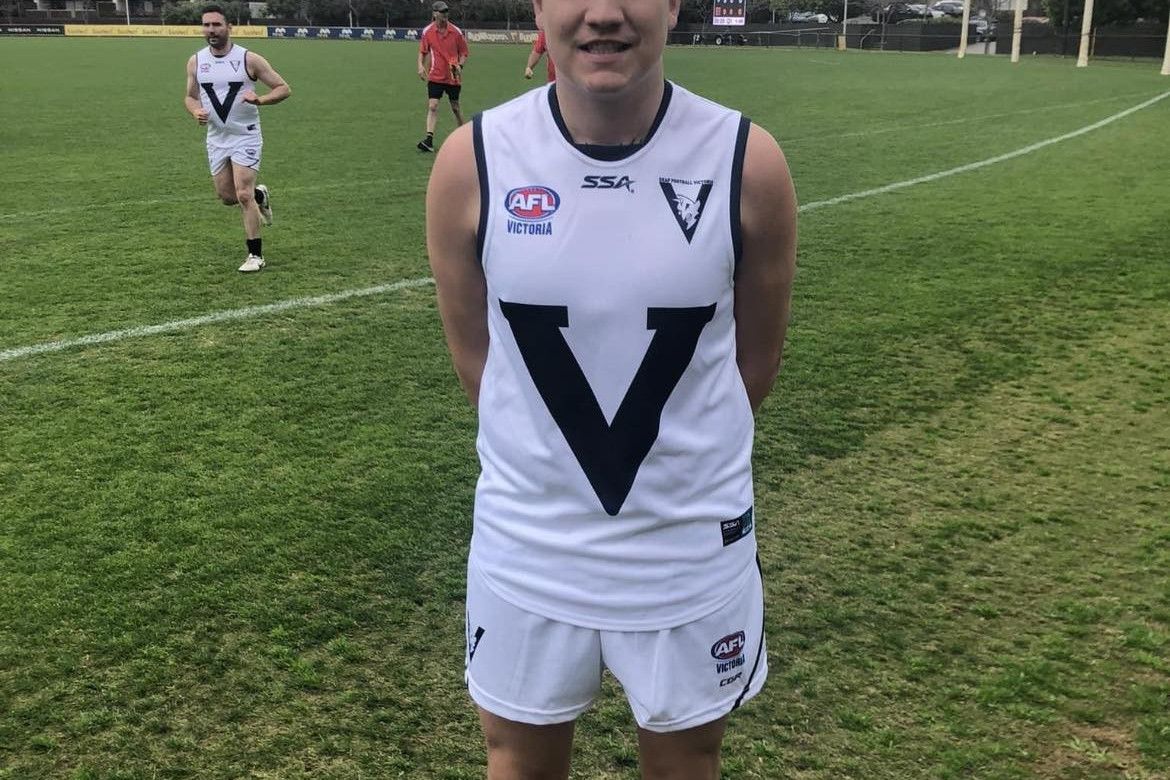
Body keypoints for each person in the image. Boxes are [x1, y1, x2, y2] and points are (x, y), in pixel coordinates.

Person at [425, 0, 797, 772]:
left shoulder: (747, 161)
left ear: (672, 5)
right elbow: (481, 369)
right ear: (538, 7)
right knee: (518, 760)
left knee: (689, 759)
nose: (603, 14)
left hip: (686, 551)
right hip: (531, 548)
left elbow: (751, 370)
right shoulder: (473, 160)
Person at [184, 3, 290, 273]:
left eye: (217, 24)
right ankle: (259, 195)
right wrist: (195, 110)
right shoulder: (196, 61)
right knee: (227, 196)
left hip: (246, 136)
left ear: (229, 27)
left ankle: (255, 255)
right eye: (206, 25)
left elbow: (283, 88)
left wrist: (261, 99)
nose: (211, 30)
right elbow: (190, 95)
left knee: (242, 194)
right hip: (217, 138)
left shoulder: (249, 59)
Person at [417, 0, 469, 153]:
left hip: (453, 75)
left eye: (446, 11)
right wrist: (420, 65)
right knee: (432, 106)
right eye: (442, 11)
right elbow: (423, 51)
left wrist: (460, 65)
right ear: (434, 14)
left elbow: (464, 52)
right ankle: (429, 140)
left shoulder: (456, 32)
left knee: (455, 108)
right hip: (435, 75)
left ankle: (466, 137)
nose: (445, 14)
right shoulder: (428, 32)